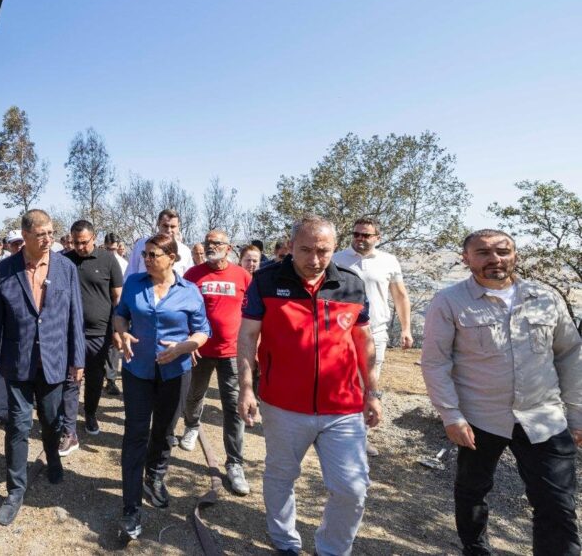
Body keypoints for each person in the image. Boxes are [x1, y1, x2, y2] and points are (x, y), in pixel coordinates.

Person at [421, 229, 582, 556]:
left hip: (544, 417)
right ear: (466, 258)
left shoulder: (545, 297)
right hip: (480, 419)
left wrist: (577, 414)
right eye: (483, 252)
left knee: (557, 502)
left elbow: (570, 354)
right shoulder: (450, 301)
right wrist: (451, 415)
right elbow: (436, 362)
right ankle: (476, 549)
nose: (494, 258)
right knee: (472, 492)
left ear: (515, 255)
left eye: (503, 251)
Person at [237, 215, 381, 556]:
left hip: (343, 407)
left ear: (335, 248)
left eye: (323, 251)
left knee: (352, 487)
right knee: (281, 475)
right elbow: (247, 337)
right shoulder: (266, 281)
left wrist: (372, 392)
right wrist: (246, 387)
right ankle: (285, 541)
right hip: (283, 404)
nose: (314, 260)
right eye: (305, 250)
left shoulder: (351, 284)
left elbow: (364, 341)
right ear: (290, 246)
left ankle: (331, 549)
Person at [0, 209, 86, 527]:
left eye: (51, 233)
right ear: (25, 236)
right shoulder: (5, 269)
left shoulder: (66, 268)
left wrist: (78, 360)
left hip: (54, 361)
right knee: (18, 426)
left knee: (53, 421)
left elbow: (75, 317)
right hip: (17, 362)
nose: (48, 239)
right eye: (41, 234)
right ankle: (15, 491)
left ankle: (53, 458)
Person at [113, 233, 209, 541]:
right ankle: (131, 509)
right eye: (145, 254)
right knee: (135, 434)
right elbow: (120, 316)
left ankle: (154, 476)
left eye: (154, 255)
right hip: (137, 371)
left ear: (172, 258)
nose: (147, 259)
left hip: (175, 373)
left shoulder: (189, 291)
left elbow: (202, 331)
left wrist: (185, 346)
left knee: (165, 431)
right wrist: (122, 333)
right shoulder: (134, 284)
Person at [332, 217, 413, 456]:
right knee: (340, 381)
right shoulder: (336, 259)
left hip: (375, 331)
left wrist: (406, 329)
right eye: (356, 234)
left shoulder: (389, 261)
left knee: (369, 382)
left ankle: (360, 438)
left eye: (366, 235)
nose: (360, 239)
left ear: (377, 237)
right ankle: (335, 431)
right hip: (340, 331)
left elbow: (400, 296)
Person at [180, 229, 252, 495]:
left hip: (232, 352)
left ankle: (235, 463)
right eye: (208, 243)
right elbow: (181, 310)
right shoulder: (192, 275)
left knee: (233, 407)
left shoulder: (242, 276)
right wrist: (187, 340)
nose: (211, 247)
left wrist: (253, 348)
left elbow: (253, 313)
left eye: (217, 243)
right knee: (193, 395)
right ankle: (191, 426)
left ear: (228, 248)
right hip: (199, 350)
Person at [59, 220, 123, 454]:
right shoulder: (64, 260)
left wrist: (116, 329)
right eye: (75, 242)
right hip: (71, 332)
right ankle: (69, 430)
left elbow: (117, 297)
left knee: (95, 379)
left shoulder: (108, 260)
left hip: (99, 334)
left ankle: (90, 413)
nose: (79, 247)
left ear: (94, 238)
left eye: (84, 242)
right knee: (71, 379)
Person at [102, 232, 129, 396]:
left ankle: (111, 380)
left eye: (113, 249)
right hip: (101, 305)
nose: (111, 252)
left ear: (118, 247)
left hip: (117, 306)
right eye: (108, 249)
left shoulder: (124, 264)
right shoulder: (100, 260)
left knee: (114, 345)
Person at [125, 209, 191, 277]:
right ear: (158, 224)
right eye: (165, 226)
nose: (169, 230)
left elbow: (189, 279)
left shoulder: (185, 251)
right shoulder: (141, 244)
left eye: (173, 227)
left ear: (178, 226)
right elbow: (130, 272)